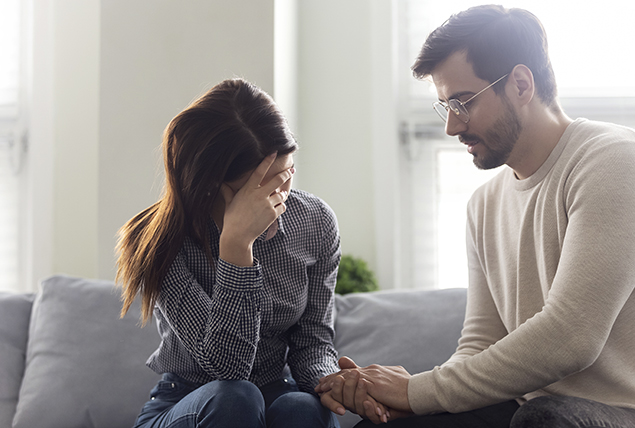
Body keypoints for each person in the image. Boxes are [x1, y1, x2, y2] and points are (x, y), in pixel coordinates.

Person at [315, 4, 635, 427]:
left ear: (521, 84)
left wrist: (416, 390)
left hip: (617, 410)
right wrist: (405, 403)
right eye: (445, 106)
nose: (451, 126)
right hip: (526, 406)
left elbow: (572, 336)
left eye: (463, 102)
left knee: (543, 419)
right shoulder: (483, 204)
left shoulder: (613, 162)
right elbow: (480, 343)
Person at [116, 78, 342, 428]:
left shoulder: (315, 222)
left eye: (286, 174)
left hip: (276, 390)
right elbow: (228, 369)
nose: (280, 194)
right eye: (262, 187)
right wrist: (237, 246)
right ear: (212, 184)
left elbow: (312, 341)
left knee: (303, 407)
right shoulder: (157, 239)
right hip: (191, 400)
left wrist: (331, 382)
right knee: (235, 397)